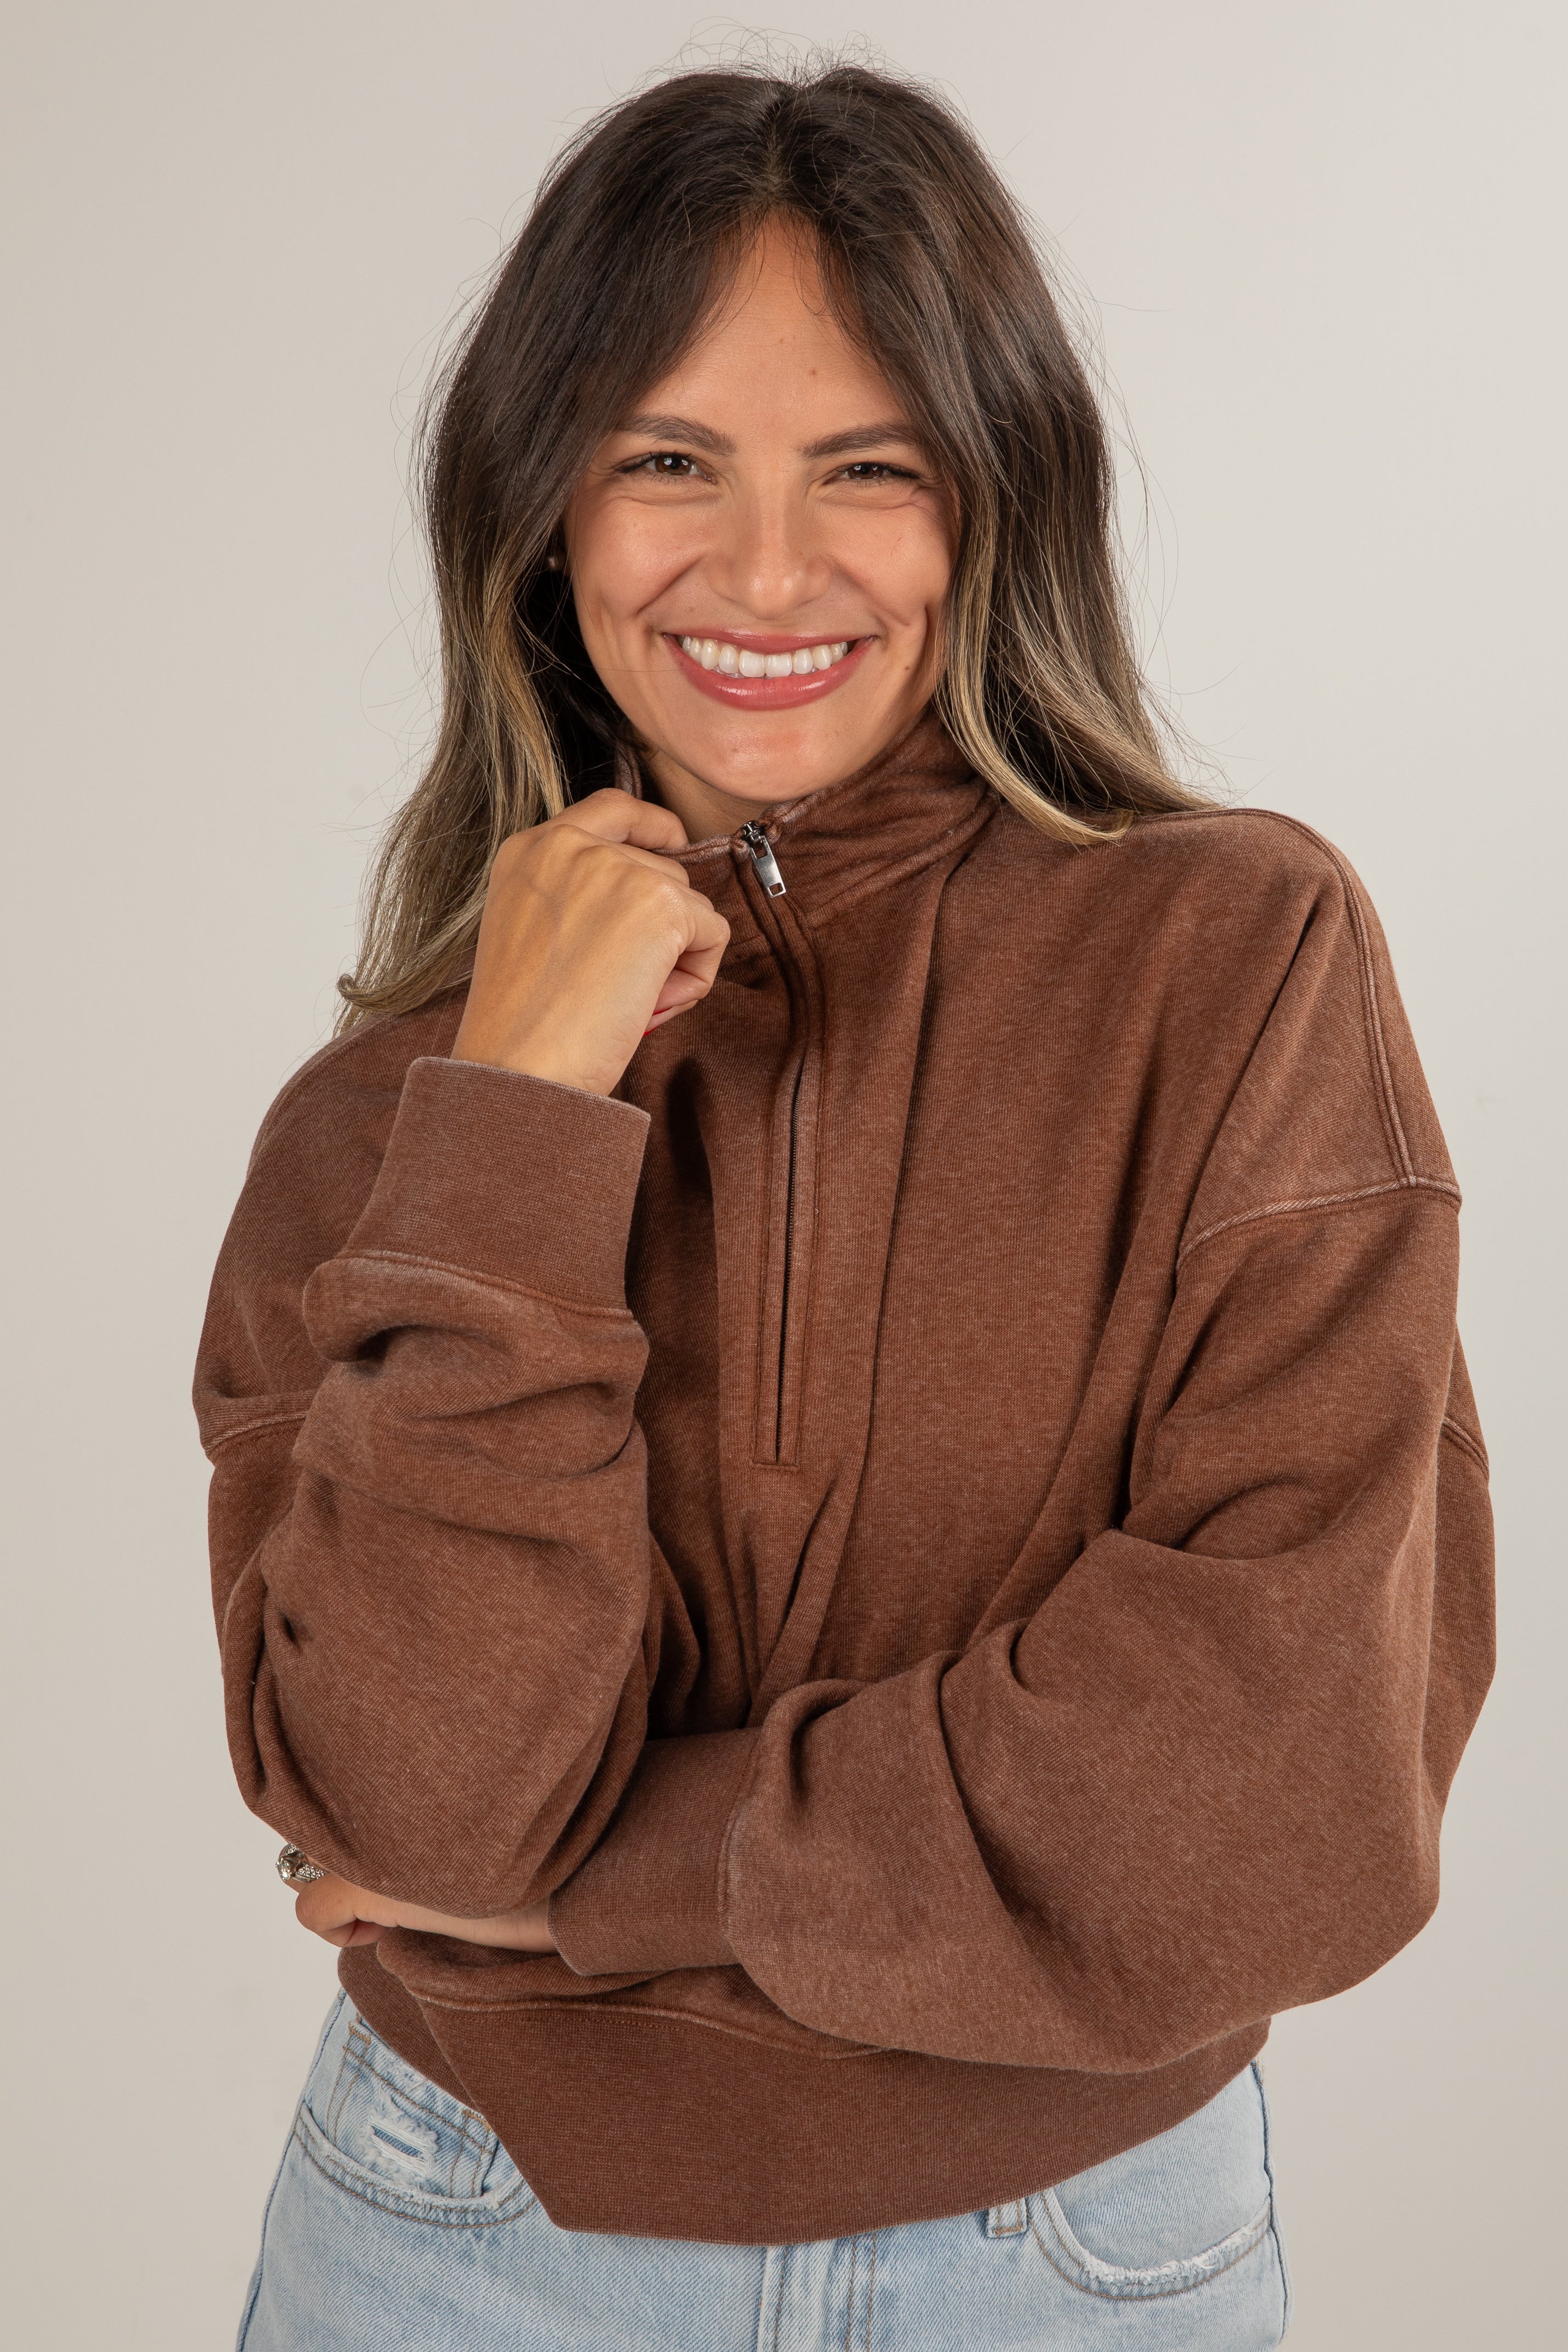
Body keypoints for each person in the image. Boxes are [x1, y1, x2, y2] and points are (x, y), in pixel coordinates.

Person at [195, 60, 1495, 2352]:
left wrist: (627, 1871)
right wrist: (518, 1108)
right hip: (447, 2234)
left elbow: (1280, 1785)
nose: (769, 571)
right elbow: (411, 1797)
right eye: (666, 461)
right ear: (540, 512)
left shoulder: (1233, 957)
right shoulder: (396, 1113)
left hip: (1076, 2251)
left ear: (991, 506)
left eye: (867, 469)